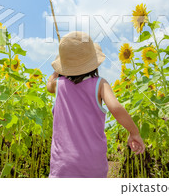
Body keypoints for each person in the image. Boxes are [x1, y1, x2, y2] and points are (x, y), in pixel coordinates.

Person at [47, 31, 145, 178]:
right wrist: (134, 132)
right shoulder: (100, 84)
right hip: (93, 164)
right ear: (93, 62)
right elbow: (116, 108)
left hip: (62, 164)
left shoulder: (58, 85)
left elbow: (49, 84)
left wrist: (58, 70)